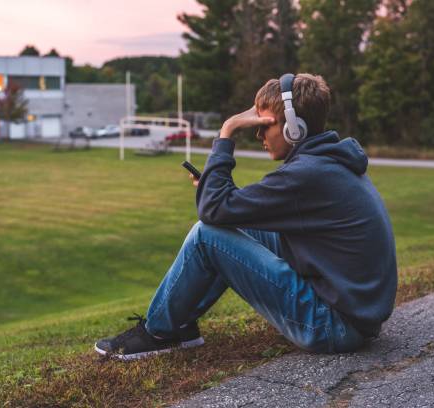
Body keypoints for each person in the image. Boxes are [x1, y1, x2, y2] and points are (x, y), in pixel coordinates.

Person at [95, 73, 397, 360]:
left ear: (294, 128)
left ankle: (159, 333)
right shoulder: (326, 163)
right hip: (356, 318)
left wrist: (227, 130)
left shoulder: (307, 174)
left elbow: (213, 212)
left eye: (265, 124)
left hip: (333, 326)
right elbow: (230, 210)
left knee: (206, 235)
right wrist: (218, 194)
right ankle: (181, 324)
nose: (257, 133)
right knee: (230, 224)